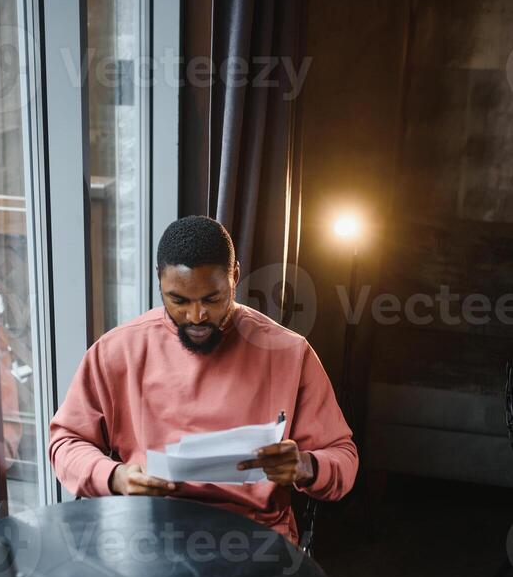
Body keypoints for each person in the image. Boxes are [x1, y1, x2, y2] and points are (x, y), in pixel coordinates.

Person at [48, 216, 358, 545]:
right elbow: (66, 442)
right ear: (159, 282)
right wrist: (114, 476)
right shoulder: (117, 351)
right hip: (147, 528)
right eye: (179, 301)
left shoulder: (290, 353)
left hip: (253, 536)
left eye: (212, 299)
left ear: (234, 276)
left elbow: (344, 458)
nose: (197, 317)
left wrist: (306, 465)